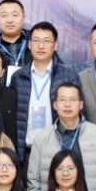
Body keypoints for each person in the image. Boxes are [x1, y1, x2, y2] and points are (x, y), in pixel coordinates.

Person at [26, 83, 96, 191]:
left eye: (73, 100)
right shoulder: (42, 138)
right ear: (55, 105)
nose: (67, 104)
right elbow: (33, 180)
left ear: (81, 104)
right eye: (62, 100)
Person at [11, 22, 80, 151]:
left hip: (58, 152)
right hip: (26, 151)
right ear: (30, 44)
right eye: (36, 41)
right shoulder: (18, 77)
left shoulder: (68, 75)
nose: (41, 46)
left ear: (55, 45)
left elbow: (79, 116)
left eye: (47, 41)